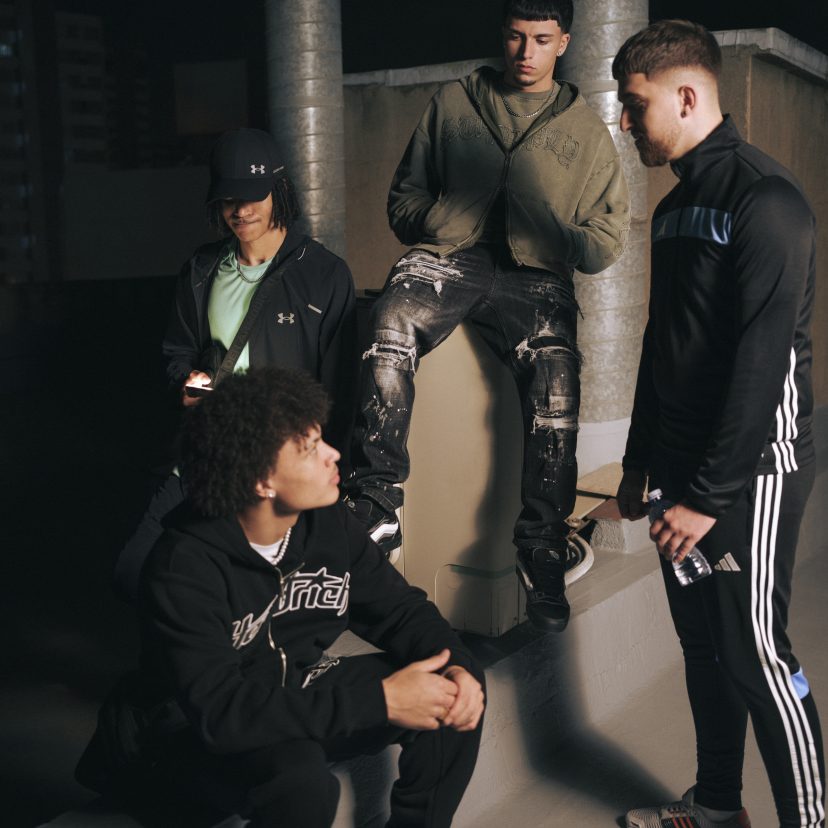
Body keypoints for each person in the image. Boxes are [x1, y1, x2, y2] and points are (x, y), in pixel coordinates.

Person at [82, 367, 485, 828]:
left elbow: (402, 611)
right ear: (262, 481)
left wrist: (456, 664)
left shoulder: (327, 524)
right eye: (310, 449)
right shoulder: (183, 567)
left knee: (451, 685)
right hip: (188, 737)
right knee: (300, 781)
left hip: (289, 692)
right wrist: (380, 700)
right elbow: (222, 712)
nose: (334, 455)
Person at [344, 0, 630, 633]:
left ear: (564, 43)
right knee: (388, 322)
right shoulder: (454, 104)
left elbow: (607, 239)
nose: (526, 53)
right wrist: (444, 218)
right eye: (516, 37)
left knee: (556, 379)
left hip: (537, 276)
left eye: (541, 39)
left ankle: (542, 543)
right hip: (449, 259)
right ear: (503, 35)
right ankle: (376, 501)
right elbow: (403, 200)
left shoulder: (586, 130)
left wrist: (553, 231)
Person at [613, 20, 824, 828]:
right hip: (677, 471)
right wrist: (640, 462)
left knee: (756, 653)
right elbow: (660, 343)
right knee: (705, 647)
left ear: (686, 96)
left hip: (747, 475)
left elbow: (761, 364)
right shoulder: (674, 210)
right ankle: (716, 807)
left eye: (635, 105)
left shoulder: (768, 201)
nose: (625, 121)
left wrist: (707, 496)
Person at [113, 127, 356, 601]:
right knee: (136, 570)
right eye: (228, 199)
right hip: (206, 455)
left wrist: (327, 478)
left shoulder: (324, 274)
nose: (239, 211)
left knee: (252, 592)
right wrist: (186, 382)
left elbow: (341, 389)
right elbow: (177, 351)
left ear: (279, 190)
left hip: (278, 467)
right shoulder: (202, 270)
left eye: (251, 196)